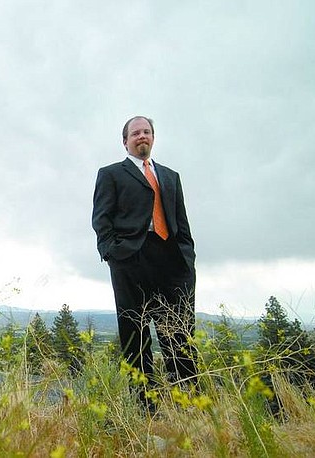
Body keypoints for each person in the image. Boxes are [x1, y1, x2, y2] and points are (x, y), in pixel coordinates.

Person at [92, 116, 198, 411]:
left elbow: (181, 221)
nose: (142, 136)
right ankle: (145, 407)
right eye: (136, 132)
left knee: (179, 334)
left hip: (172, 263)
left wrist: (187, 257)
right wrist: (113, 253)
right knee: (135, 336)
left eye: (147, 132)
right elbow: (101, 220)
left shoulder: (170, 176)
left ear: (153, 138)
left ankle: (187, 405)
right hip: (131, 261)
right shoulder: (111, 174)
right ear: (125, 141)